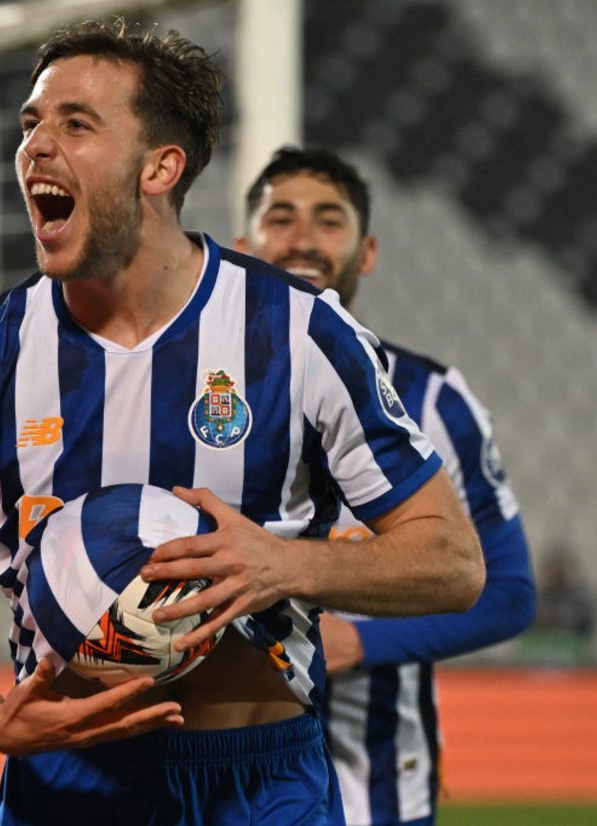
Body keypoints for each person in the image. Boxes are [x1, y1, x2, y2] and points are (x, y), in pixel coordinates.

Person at [0, 18, 484, 826]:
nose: (37, 146)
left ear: (160, 166)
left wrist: (284, 566)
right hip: (68, 786)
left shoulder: (299, 331)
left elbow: (453, 561)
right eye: (31, 123)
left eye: (76, 124)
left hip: (258, 786)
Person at [235, 146, 536, 825]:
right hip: (216, 768)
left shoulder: (434, 400)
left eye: (328, 220)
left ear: (366, 252)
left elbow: (509, 592)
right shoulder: (187, 390)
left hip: (375, 781)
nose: (303, 239)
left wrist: (364, 644)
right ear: (241, 247)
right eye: (280, 219)